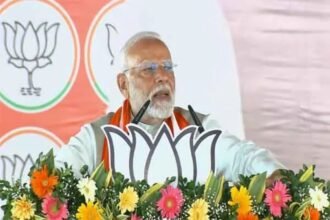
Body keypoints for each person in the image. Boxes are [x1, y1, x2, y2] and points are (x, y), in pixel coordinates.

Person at [55, 31, 284, 183]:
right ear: (123, 85)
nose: (163, 77)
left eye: (167, 67)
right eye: (149, 69)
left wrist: (273, 173)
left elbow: (242, 157)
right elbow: (53, 178)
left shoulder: (198, 128)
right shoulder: (97, 137)